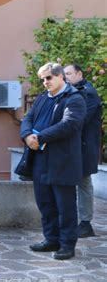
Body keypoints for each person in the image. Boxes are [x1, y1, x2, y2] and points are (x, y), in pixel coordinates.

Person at [20, 62, 86, 260]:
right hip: (40, 159)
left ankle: (67, 245)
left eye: (48, 78)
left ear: (60, 77)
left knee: (65, 206)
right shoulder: (42, 99)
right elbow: (27, 119)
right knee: (45, 203)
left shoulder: (75, 98)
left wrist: (39, 137)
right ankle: (51, 239)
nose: (45, 82)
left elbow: (69, 124)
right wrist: (26, 136)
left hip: (63, 161)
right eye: (42, 79)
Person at [64, 64, 102, 238]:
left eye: (69, 74)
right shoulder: (74, 92)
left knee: (84, 183)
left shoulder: (88, 93)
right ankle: (76, 221)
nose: (66, 77)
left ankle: (86, 224)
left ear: (79, 73)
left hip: (84, 147)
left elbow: (81, 119)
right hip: (75, 146)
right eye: (64, 74)